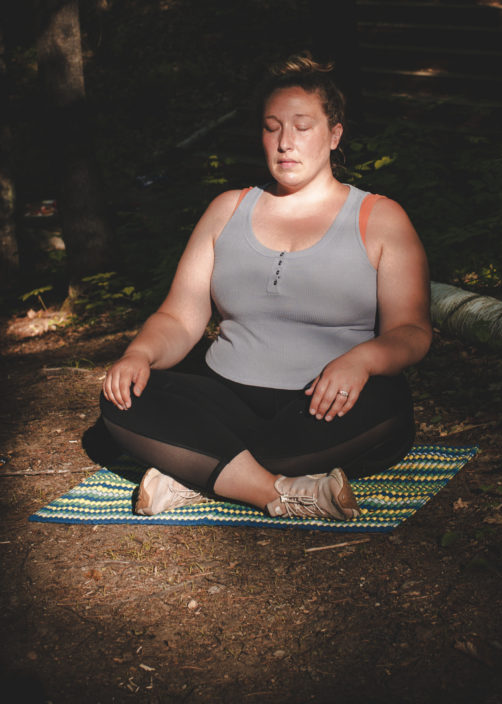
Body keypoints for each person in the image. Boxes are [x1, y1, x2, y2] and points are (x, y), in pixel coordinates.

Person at [100, 54, 432, 521]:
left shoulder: (380, 217)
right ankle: (279, 492)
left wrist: (362, 360)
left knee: (390, 400)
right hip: (229, 400)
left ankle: (198, 470)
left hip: (326, 409)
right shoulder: (226, 209)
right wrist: (139, 355)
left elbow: (413, 331)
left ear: (334, 135)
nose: (284, 143)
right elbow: (178, 317)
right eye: (272, 127)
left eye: (302, 126)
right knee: (124, 395)